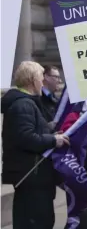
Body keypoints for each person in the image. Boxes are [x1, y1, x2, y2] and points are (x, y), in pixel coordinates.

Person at [1, 61, 70, 229]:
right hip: (31, 175)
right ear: (32, 79)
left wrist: (51, 135)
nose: (42, 82)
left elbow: (33, 133)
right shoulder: (23, 105)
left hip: (35, 175)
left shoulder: (26, 103)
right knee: (35, 221)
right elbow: (26, 138)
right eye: (40, 78)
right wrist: (54, 140)